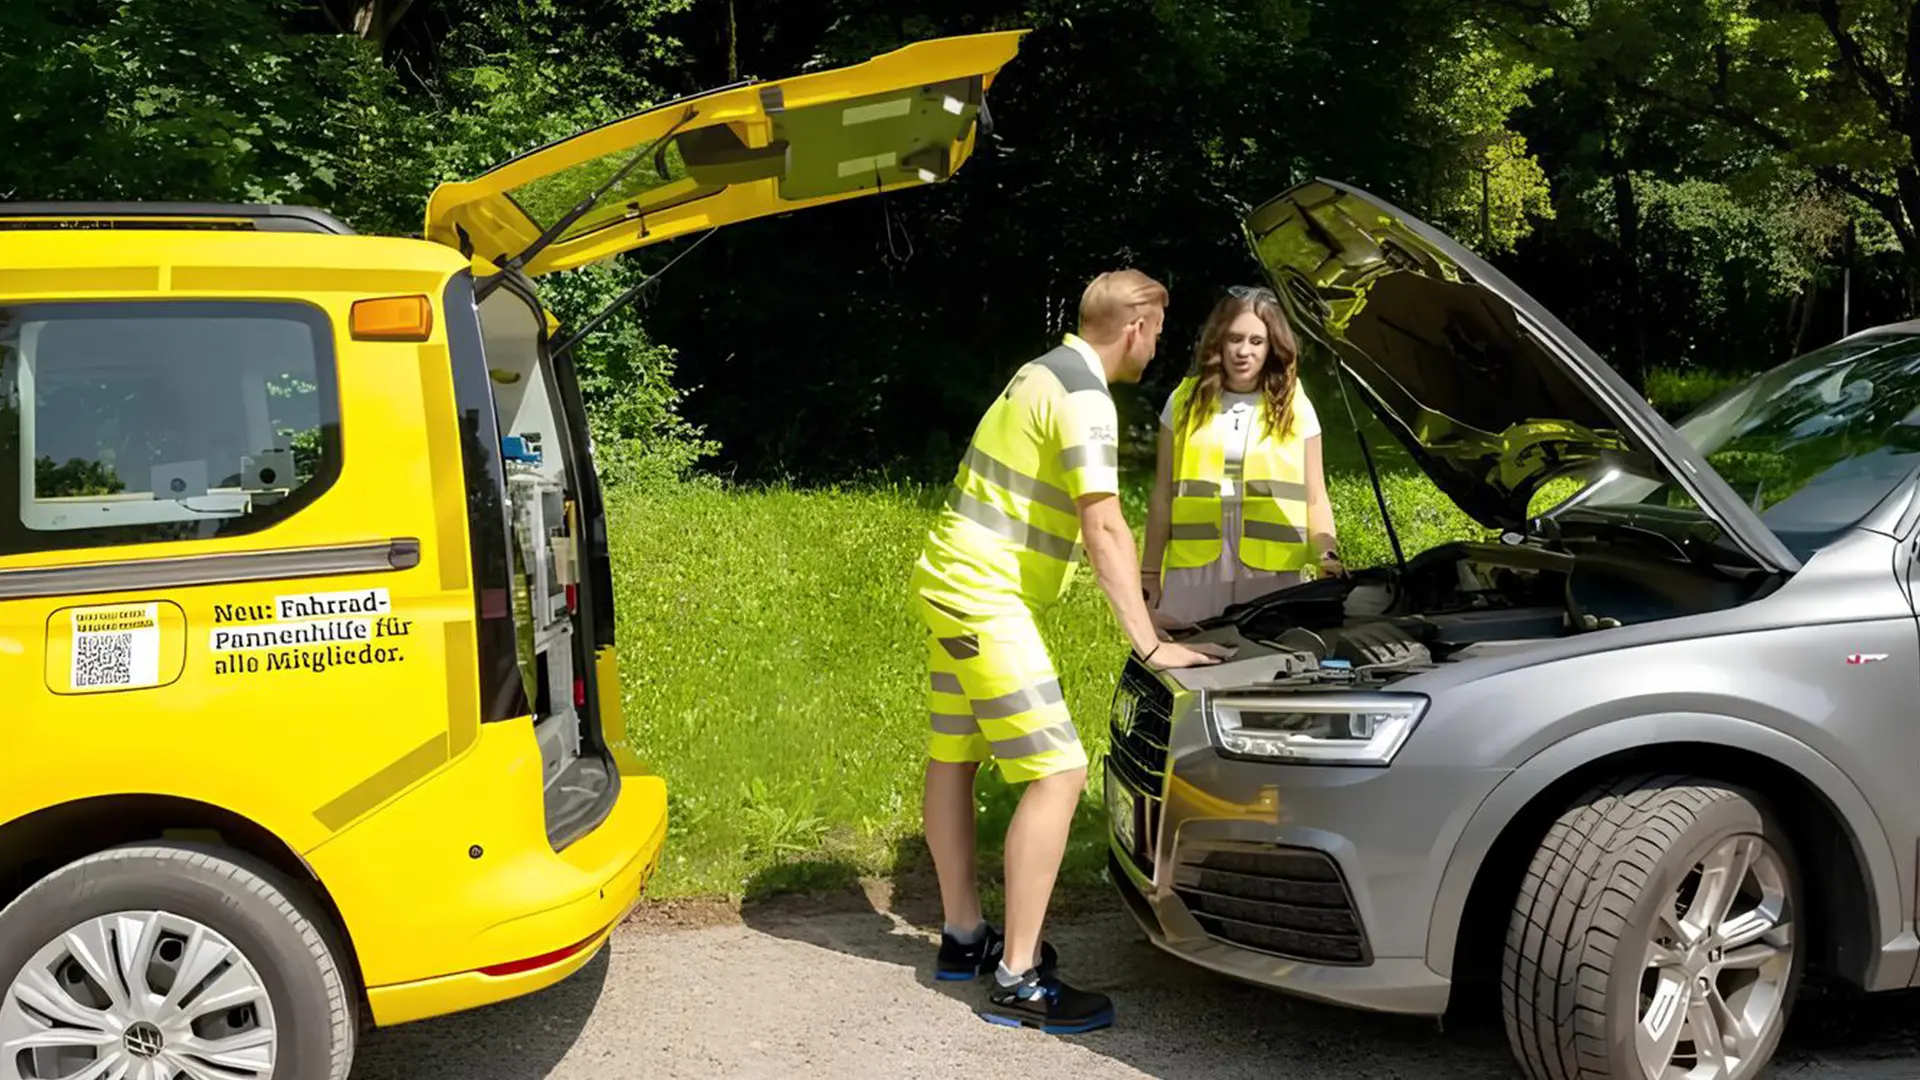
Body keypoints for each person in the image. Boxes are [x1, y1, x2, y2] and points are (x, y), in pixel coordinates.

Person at [907, 269, 1221, 1035]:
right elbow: (1105, 524)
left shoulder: (1037, 370)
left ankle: (963, 937)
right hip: (985, 594)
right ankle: (1017, 976)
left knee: (955, 755)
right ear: (1138, 327)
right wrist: (1149, 640)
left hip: (950, 581)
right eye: (1159, 331)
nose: (1160, 346)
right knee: (1060, 773)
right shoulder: (1085, 396)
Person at [1142, 285, 1342, 627]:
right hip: (1196, 563)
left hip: (1271, 566)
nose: (1243, 351)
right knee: (1191, 653)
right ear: (1219, 341)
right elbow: (1162, 495)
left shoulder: (1295, 405)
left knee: (1268, 658)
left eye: (1256, 341)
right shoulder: (1183, 401)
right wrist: (1148, 571)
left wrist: (1328, 557)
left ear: (1271, 347)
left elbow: (1315, 495)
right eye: (1235, 339)